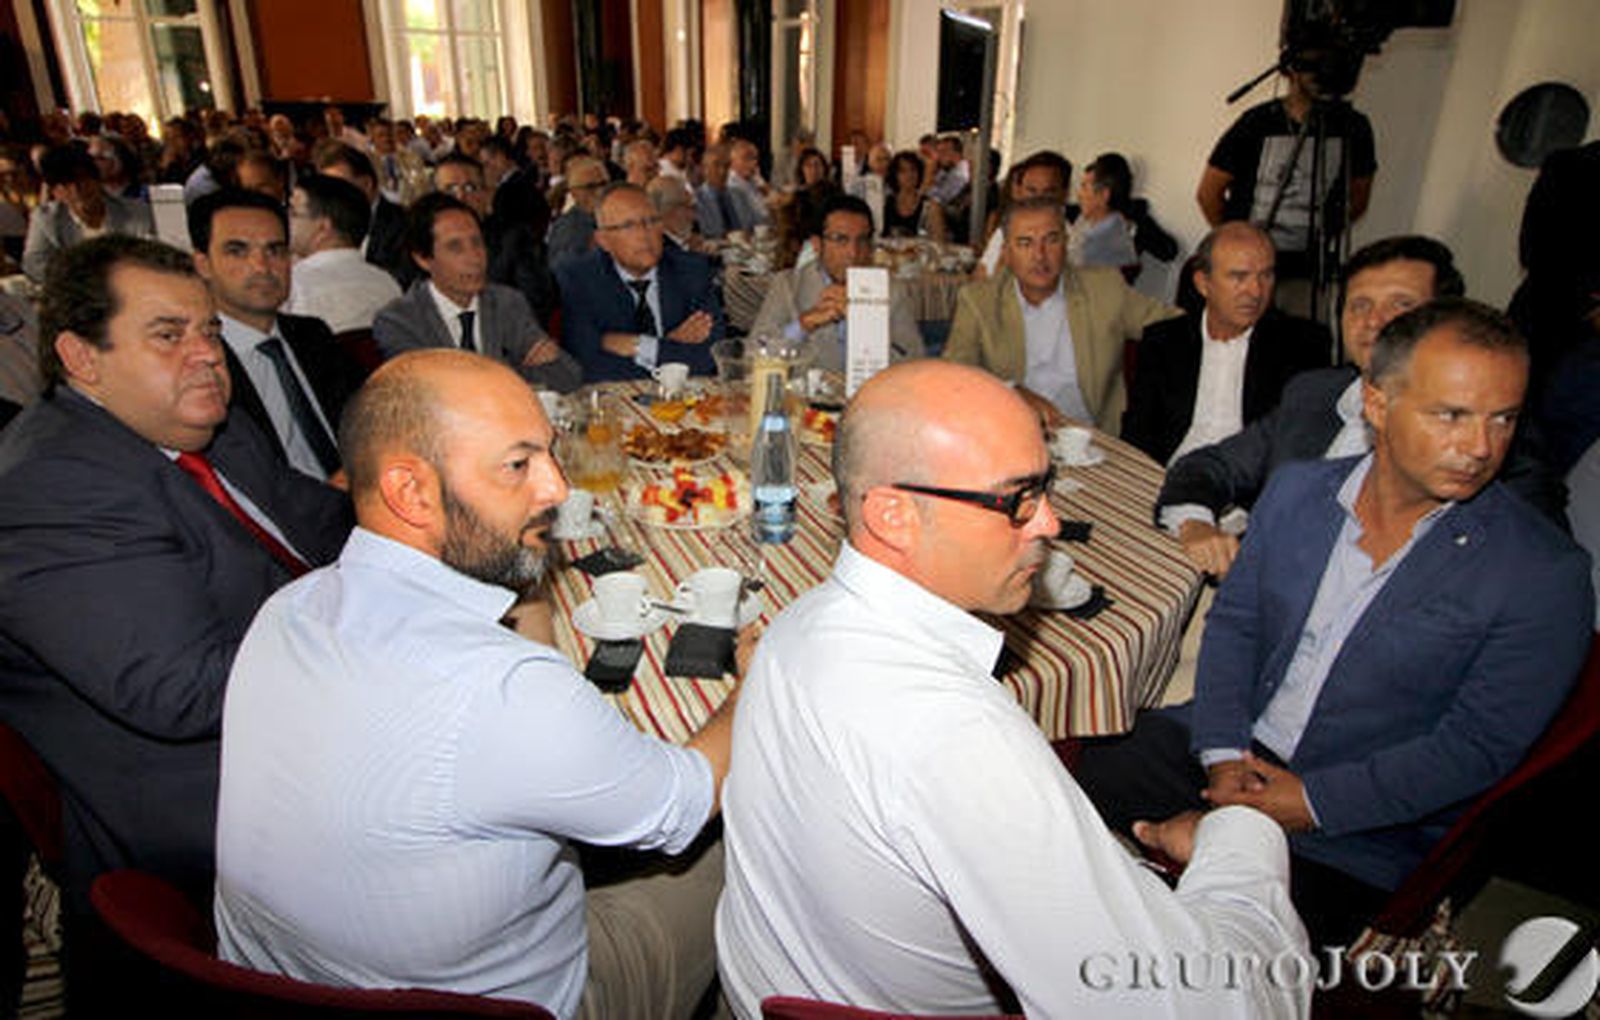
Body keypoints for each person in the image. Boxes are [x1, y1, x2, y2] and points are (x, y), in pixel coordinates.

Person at [717, 359, 1309, 1018]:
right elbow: (1210, 1008)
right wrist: (1241, 839)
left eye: (1046, 487)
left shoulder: (795, 624)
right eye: (1016, 499)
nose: (1050, 524)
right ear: (893, 514)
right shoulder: (959, 742)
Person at [215, 350, 734, 1019]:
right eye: (518, 465)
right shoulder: (506, 693)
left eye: (548, 455)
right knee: (742, 838)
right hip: (523, 1000)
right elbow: (684, 801)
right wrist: (754, 679)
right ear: (411, 491)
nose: (556, 488)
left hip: (291, 980)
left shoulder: (291, 607)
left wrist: (524, 573)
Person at [1077, 299, 1594, 945]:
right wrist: (1220, 756)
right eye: (1452, 415)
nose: (1481, 447)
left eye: (1504, 418)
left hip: (1358, 827)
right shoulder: (1297, 491)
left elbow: (1474, 748)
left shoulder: (1543, 574)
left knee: (1192, 953)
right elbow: (1237, 624)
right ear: (1376, 405)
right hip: (1230, 753)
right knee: (1058, 795)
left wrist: (1304, 806)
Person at [0, 235, 350, 1000]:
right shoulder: (53, 489)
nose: (206, 355)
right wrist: (377, 633)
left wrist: (443, 516)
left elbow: (320, 520)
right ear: (80, 358)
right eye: (169, 335)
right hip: (205, 797)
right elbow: (184, 692)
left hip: (286, 708)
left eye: (210, 331)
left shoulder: (207, 430)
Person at [1157, 235, 1566, 576]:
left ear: (1446, 323)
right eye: (1360, 305)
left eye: (1401, 305)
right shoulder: (1315, 394)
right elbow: (1208, 466)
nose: (1375, 322)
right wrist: (1196, 525)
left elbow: (1540, 567)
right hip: (1251, 593)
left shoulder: (1490, 438)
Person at [944, 196, 1178, 430]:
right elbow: (957, 372)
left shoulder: (1104, 289)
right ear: (1006, 252)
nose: (1040, 255)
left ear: (1066, 244)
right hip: (1010, 430)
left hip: (1089, 440)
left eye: (1051, 240)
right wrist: (1011, 391)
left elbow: (1175, 325)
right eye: (1025, 243)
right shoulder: (979, 301)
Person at [190, 188, 369, 480]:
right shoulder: (200, 363)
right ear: (202, 265)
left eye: (275, 250)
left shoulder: (312, 334)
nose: (262, 267)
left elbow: (371, 418)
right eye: (238, 251)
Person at [1121, 222, 1328, 465]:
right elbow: (1138, 434)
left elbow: (1301, 447)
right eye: (1238, 277)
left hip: (1247, 488)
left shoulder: (1302, 344)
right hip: (1170, 475)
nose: (1255, 291)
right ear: (1202, 283)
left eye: (1266, 275)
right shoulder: (1165, 341)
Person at [1196, 35, 1376, 312]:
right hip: (1246, 265)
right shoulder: (1256, 122)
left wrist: (1325, 232)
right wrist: (1235, 243)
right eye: (1312, 64)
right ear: (1290, 70)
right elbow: (1209, 193)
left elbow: (1358, 198)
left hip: (1305, 270)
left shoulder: (1354, 127)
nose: (1320, 75)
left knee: (1295, 344)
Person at [373, 193, 580, 392]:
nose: (474, 258)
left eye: (477, 242)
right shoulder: (399, 321)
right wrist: (516, 372)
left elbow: (568, 377)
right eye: (455, 247)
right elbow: (433, 395)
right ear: (423, 259)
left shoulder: (507, 303)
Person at [554, 182, 725, 382]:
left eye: (651, 221)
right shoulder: (578, 279)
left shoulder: (692, 271)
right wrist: (671, 346)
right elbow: (586, 366)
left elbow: (711, 358)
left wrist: (642, 346)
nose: (644, 235)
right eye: (628, 226)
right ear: (603, 241)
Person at [749, 195, 923, 371]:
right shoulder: (787, 286)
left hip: (871, 394)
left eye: (862, 240)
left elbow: (914, 362)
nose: (853, 252)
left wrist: (865, 322)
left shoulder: (890, 290)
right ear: (817, 245)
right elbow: (751, 357)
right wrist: (802, 326)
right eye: (841, 239)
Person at [283, 174, 403, 334]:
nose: (285, 220)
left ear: (323, 228)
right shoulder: (388, 285)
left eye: (293, 213)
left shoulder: (291, 285)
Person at [22, 143, 153, 282]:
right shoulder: (46, 218)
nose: (76, 190)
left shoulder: (137, 211)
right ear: (55, 192)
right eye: (66, 185)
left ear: (97, 180)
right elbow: (33, 265)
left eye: (82, 180)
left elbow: (150, 256)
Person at [314, 142, 410, 286]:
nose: (333, 198)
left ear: (366, 184)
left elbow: (397, 284)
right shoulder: (327, 227)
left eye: (339, 187)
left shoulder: (403, 224)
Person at [1070, 152, 1139, 269]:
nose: (1079, 195)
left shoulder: (1110, 241)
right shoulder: (1087, 219)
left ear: (1104, 195)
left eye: (1084, 187)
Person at [547, 155, 609, 269]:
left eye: (604, 184)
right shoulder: (569, 228)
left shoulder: (611, 217)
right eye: (590, 187)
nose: (600, 191)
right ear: (574, 193)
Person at [880, 150, 945, 241]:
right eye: (903, 171)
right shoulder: (886, 203)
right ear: (895, 175)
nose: (909, 175)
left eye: (913, 169)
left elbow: (938, 243)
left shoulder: (931, 207)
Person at [727, 139, 771, 229]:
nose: (753, 163)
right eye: (746, 158)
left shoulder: (752, 179)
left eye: (755, 158)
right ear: (732, 161)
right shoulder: (731, 186)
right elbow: (748, 221)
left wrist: (762, 185)